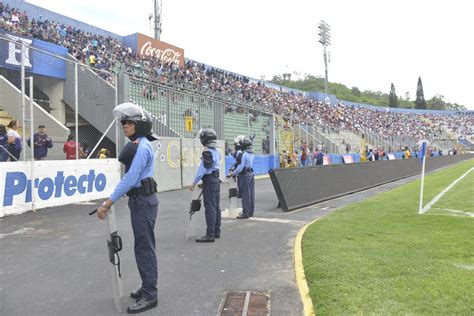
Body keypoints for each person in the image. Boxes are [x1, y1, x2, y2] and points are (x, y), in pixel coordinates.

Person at [96, 102, 159, 314]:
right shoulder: (140, 144)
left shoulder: (142, 147)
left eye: (129, 122)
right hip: (140, 201)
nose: (124, 125)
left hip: (143, 201)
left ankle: (150, 294)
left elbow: (131, 178)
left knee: (144, 247)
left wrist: (108, 202)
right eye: (124, 122)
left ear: (140, 125)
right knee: (142, 246)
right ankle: (147, 285)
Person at [190, 128, 221, 242]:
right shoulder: (217, 152)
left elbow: (202, 169)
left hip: (209, 180)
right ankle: (217, 231)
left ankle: (210, 234)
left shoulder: (207, 152)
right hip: (216, 179)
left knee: (210, 207)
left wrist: (194, 182)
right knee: (216, 206)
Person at [229, 136, 255, 219]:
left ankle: (245, 213)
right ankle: (250, 212)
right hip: (251, 174)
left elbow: (240, 167)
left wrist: (233, 173)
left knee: (245, 195)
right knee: (251, 194)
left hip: (245, 176)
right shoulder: (252, 154)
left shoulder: (244, 154)